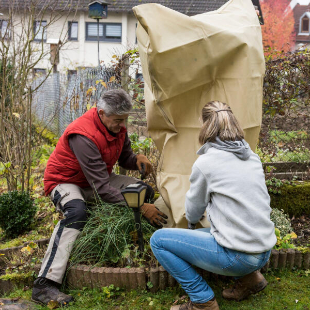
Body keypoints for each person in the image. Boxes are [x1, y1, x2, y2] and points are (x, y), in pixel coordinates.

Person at [32, 89, 168, 306]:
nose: (123, 125)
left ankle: (136, 241)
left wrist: (137, 159)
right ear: (101, 113)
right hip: (65, 181)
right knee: (77, 212)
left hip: (95, 179)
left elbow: (124, 158)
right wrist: (141, 207)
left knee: (143, 190)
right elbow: (103, 190)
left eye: (125, 120)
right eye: (118, 120)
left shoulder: (117, 127)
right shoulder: (83, 135)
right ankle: (45, 284)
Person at [150, 100, 277, 310]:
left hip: (238, 257)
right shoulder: (252, 157)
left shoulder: (206, 163)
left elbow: (193, 209)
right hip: (263, 251)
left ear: (205, 127)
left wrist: (191, 224)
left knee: (159, 241)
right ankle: (252, 279)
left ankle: (202, 300)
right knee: (218, 231)